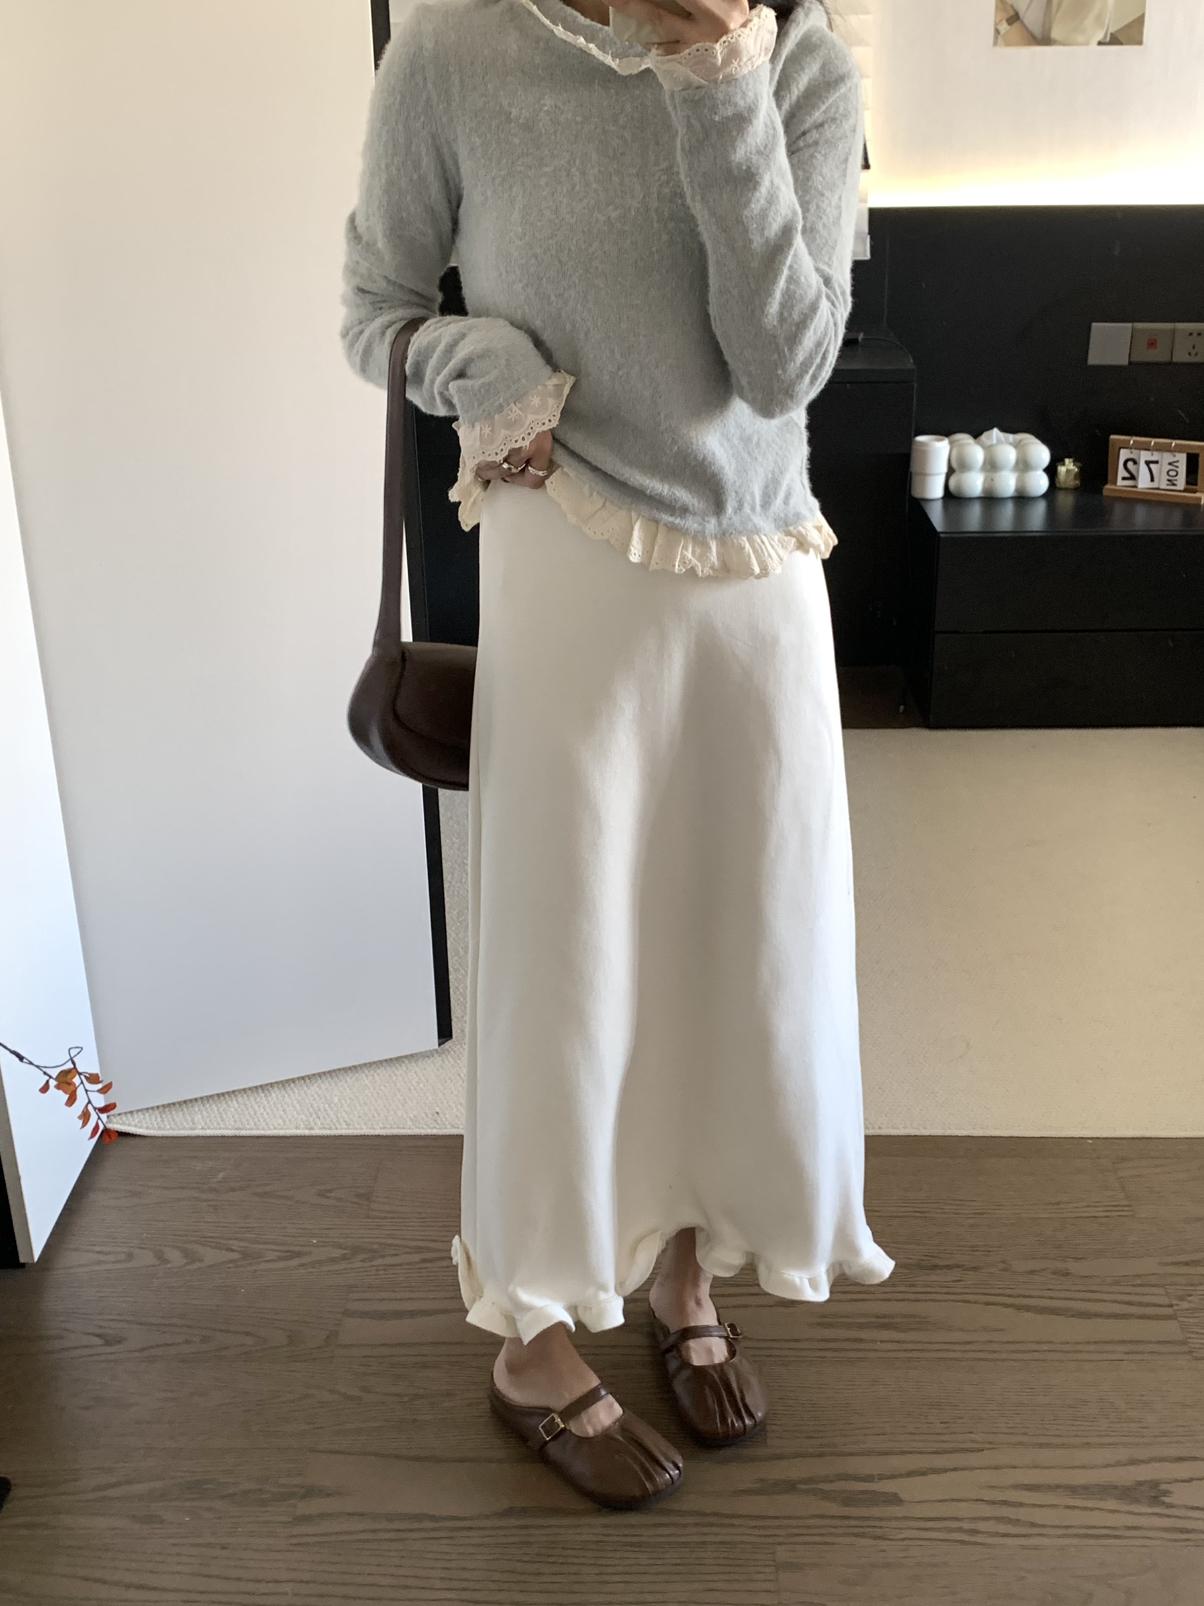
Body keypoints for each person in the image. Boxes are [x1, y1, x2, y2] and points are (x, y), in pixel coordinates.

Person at [340, 0, 895, 1512]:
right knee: (568, 954)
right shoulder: (454, 51)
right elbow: (376, 308)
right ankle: (531, 1339)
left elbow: (782, 367)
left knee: (745, 943)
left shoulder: (798, 60)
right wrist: (484, 361)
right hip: (567, 557)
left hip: (757, 574)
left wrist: (718, 79)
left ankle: (683, 1270)